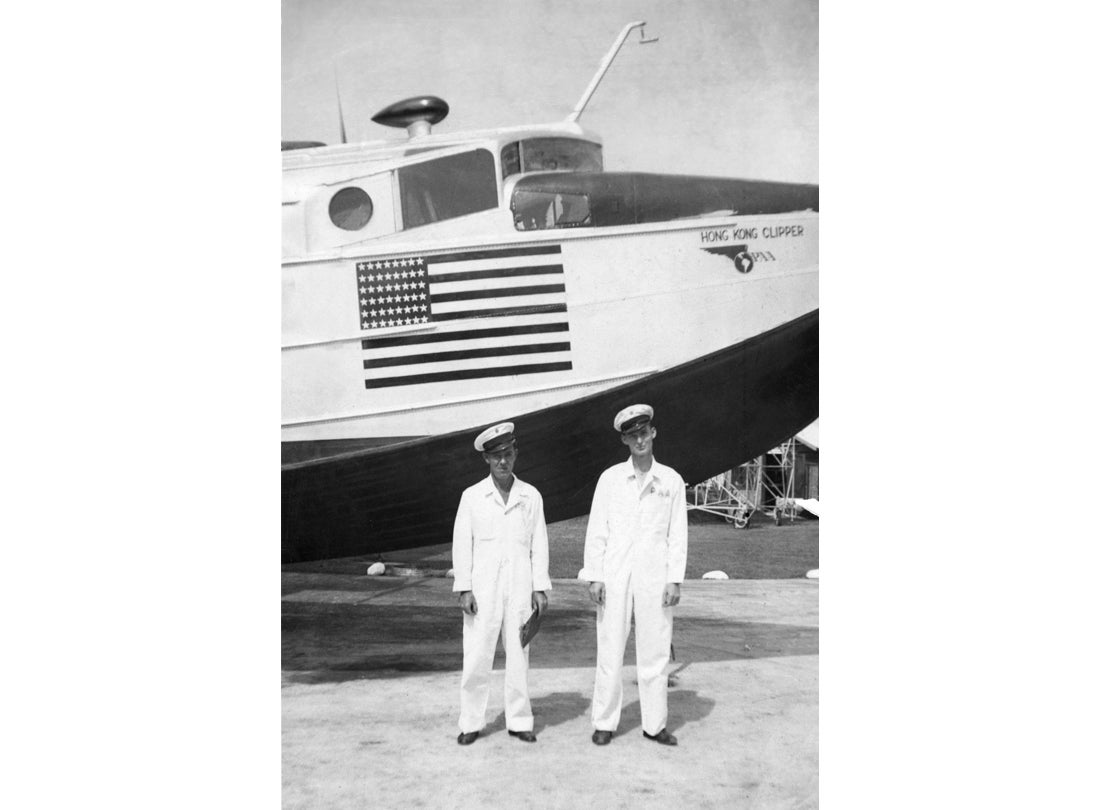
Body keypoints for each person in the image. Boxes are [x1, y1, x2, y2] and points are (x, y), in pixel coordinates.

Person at [581, 404, 688, 746]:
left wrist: (675, 579)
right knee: (610, 648)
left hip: (655, 577)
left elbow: (677, 534)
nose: (640, 440)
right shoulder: (610, 479)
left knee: (655, 652)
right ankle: (604, 722)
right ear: (625, 440)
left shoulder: (670, 480)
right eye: (632, 435)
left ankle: (654, 725)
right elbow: (597, 529)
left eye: (645, 432)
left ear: (653, 433)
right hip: (615, 575)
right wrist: (595, 575)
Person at [452, 422, 551, 745]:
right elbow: (461, 544)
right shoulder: (472, 497)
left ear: (516, 454)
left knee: (519, 655)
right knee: (477, 655)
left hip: (521, 587)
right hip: (483, 589)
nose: (503, 462)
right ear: (487, 460)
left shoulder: (530, 496)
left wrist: (540, 588)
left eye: (508, 454)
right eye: (496, 457)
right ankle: (470, 722)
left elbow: (540, 544)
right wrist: (464, 587)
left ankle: (520, 720)